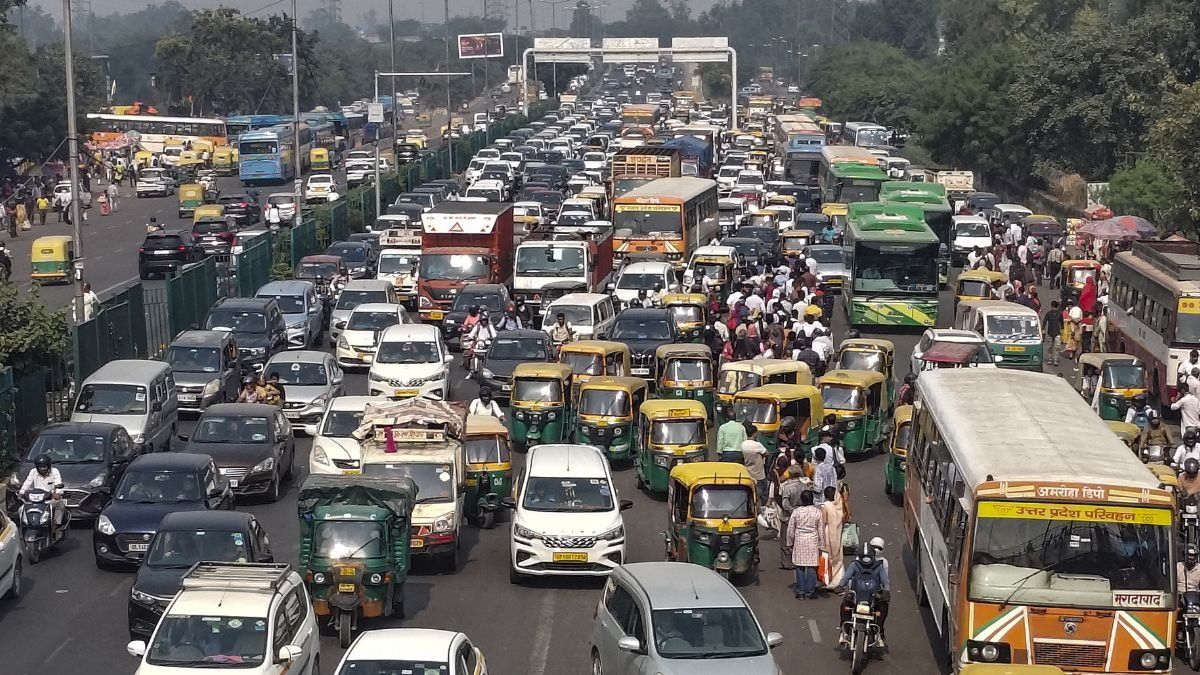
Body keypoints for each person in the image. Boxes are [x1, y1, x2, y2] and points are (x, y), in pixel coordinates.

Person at [838, 542, 891, 648]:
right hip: (855, 596)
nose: (866, 560)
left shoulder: (879, 566)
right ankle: (845, 632)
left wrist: (886, 591)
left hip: (873, 598)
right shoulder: (854, 565)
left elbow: (885, 582)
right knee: (844, 605)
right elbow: (846, 578)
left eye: (868, 557)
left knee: (883, 607)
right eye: (864, 557)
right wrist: (840, 586)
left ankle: (879, 632)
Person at [785, 489, 826, 599]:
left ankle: (801, 592)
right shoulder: (817, 512)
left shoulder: (797, 512)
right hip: (813, 541)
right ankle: (810, 591)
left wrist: (789, 543)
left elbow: (791, 529)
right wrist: (822, 546)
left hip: (800, 541)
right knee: (812, 566)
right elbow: (821, 530)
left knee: (800, 566)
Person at [20, 455, 65, 530]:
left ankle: (56, 525)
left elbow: (58, 482)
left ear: (48, 466)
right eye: (40, 467)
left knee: (60, 504)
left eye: (44, 467)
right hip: (35, 499)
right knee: (22, 508)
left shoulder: (55, 471)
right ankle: (26, 524)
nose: (43, 469)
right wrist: (21, 493)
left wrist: (57, 493)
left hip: (50, 498)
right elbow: (27, 483)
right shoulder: (33, 472)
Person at [776, 464, 808, 569]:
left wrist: (792, 511)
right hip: (801, 517)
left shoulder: (787, 487)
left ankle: (787, 563)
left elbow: (785, 504)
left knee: (785, 540)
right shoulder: (804, 486)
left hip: (787, 518)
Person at [820, 485, 846, 589]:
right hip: (838, 533)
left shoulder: (825, 506)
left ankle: (828, 580)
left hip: (828, 533)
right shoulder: (839, 505)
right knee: (838, 557)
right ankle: (838, 579)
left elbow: (823, 521)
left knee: (827, 556)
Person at [740, 423, 770, 504]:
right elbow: (767, 453)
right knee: (763, 493)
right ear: (755, 433)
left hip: (749, 473)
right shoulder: (757, 445)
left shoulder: (743, 444)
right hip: (759, 474)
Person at [1043, 300, 1063, 367]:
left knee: (1052, 347)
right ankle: (1053, 360)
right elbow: (1062, 324)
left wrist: (1043, 329)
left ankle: (1052, 359)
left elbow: (1044, 322)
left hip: (1053, 332)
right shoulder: (1052, 314)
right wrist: (1062, 331)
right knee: (1054, 347)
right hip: (1054, 332)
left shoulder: (1050, 314)